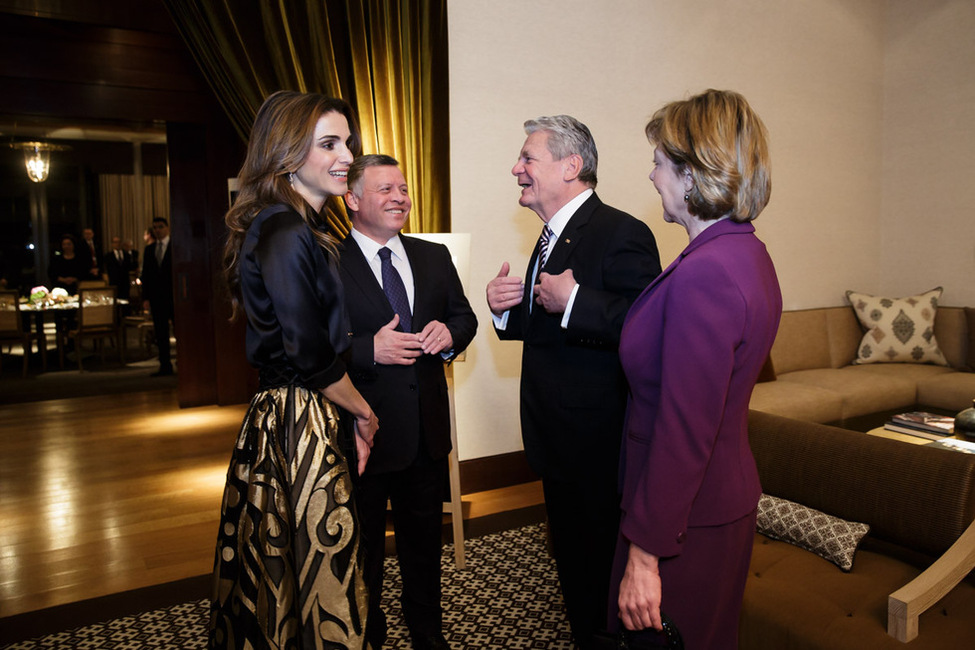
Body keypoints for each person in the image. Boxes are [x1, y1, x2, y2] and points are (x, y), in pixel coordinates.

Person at [609, 89, 782, 650]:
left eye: (659, 163)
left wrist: (644, 552)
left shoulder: (706, 273)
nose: (651, 176)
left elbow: (684, 431)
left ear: (691, 175)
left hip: (685, 520)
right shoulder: (744, 251)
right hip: (709, 504)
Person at [208, 90, 379, 649]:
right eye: (329, 143)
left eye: (347, 142)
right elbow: (308, 351)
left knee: (289, 570)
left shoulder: (295, 225)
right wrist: (363, 410)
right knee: (312, 571)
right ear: (286, 154)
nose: (346, 155)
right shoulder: (284, 229)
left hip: (294, 413)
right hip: (298, 419)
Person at [485, 115, 661, 648]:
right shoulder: (549, 235)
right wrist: (504, 313)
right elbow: (549, 326)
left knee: (600, 571)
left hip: (596, 446)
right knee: (574, 567)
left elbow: (647, 324)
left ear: (571, 165)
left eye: (527, 158)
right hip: (555, 439)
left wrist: (576, 301)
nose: (516, 169)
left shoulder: (622, 232)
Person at [339, 155, 477, 650]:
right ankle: (367, 635)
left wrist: (449, 334)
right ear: (352, 200)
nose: (400, 197)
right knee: (364, 552)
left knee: (424, 550)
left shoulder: (432, 257)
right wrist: (365, 349)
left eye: (403, 187)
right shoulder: (329, 263)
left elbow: (465, 320)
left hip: (425, 434)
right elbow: (307, 345)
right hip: (362, 435)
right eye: (385, 189)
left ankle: (428, 634)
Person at [140, 217, 174, 376]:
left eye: (160, 227)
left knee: (180, 331)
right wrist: (145, 298)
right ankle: (165, 365)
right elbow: (145, 275)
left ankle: (184, 363)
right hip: (156, 297)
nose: (158, 230)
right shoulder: (149, 249)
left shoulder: (175, 246)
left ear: (167, 228)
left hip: (174, 296)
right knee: (161, 332)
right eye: (155, 228)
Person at [104, 235, 133, 302]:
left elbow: (129, 267)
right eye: (115, 242)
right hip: (114, 283)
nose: (117, 244)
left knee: (125, 303)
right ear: (112, 244)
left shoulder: (127, 255)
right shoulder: (108, 256)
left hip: (125, 283)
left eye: (118, 242)